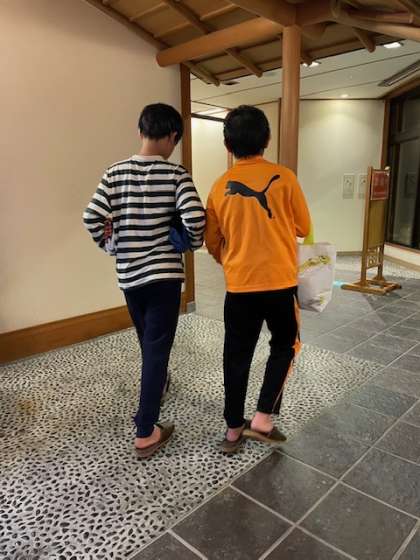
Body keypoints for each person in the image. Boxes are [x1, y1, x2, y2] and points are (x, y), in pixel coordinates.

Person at [83, 103, 205, 458]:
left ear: (141, 132)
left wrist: (111, 245)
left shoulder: (114, 172)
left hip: (130, 278)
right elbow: (196, 218)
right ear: (172, 136)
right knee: (156, 348)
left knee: (148, 341)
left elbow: (91, 217)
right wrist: (190, 242)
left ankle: (160, 382)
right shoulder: (176, 174)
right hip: (164, 277)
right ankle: (146, 431)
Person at [205, 105, 311, 454]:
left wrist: (230, 261)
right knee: (285, 345)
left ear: (227, 145)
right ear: (267, 139)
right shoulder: (285, 177)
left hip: (240, 288)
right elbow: (303, 227)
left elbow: (212, 240)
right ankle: (264, 417)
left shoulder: (219, 186)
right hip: (281, 284)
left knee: (236, 356)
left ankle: (233, 429)